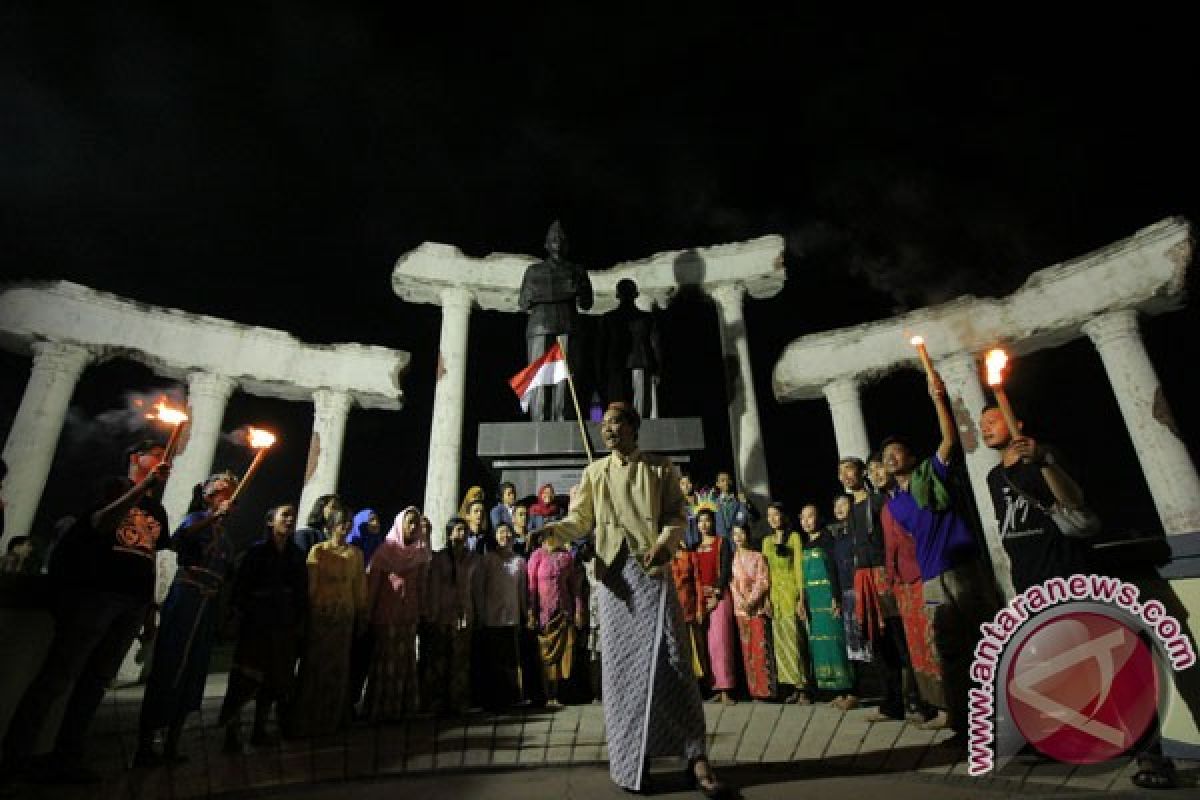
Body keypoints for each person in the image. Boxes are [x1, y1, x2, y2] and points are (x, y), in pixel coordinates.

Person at [538, 403, 726, 797]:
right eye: (604, 423)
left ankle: (696, 758)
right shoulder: (594, 473)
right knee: (623, 672)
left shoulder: (659, 468)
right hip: (614, 583)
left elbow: (678, 516)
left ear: (633, 427)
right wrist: (553, 531)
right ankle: (632, 763)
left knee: (673, 661)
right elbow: (579, 520)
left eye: (616, 422)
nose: (608, 429)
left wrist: (663, 545)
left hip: (652, 574)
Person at [4, 440, 169, 784]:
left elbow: (149, 554)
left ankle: (67, 755)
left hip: (133, 601)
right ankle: (16, 756)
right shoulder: (112, 488)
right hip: (97, 596)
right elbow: (101, 522)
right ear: (135, 458)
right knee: (58, 677)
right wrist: (142, 488)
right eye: (155, 451)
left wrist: (150, 611)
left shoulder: (158, 511)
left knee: (95, 683)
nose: (163, 456)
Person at [880, 367, 999, 735]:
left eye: (897, 453)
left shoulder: (931, 474)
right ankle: (963, 726)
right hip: (931, 579)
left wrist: (938, 400)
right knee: (947, 651)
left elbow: (949, 439)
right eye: (886, 456)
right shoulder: (895, 502)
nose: (891, 458)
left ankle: (1001, 719)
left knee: (983, 642)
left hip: (959, 567)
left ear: (912, 457)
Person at [134, 471, 238, 766]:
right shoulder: (195, 521)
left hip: (208, 604)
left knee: (194, 670)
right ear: (209, 497)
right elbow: (178, 540)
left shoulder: (226, 538)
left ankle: (172, 742)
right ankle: (146, 743)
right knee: (171, 664)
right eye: (223, 493)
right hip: (187, 598)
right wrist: (213, 516)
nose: (230, 499)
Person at [218, 504, 308, 752]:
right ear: (270, 521)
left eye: (292, 516)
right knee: (245, 677)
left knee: (274, 679)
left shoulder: (296, 555)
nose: (289, 520)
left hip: (284, 624)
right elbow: (241, 587)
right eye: (284, 516)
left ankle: (260, 729)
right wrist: (237, 613)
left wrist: (298, 620)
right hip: (257, 623)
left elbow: (301, 592)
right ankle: (232, 731)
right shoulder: (256, 552)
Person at [978, 406, 1092, 592]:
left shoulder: (1044, 458)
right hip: (1027, 583)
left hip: (1064, 575)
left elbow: (1074, 501)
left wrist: (1042, 461)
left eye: (991, 423)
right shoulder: (994, 477)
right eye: (981, 425)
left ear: (1018, 425)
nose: (985, 429)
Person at [839, 455, 913, 723]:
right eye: (842, 473)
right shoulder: (851, 509)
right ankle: (891, 702)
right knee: (877, 641)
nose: (847, 477)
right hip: (862, 577)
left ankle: (915, 700)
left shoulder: (879, 502)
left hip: (883, 573)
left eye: (851, 470)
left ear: (863, 474)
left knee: (897, 636)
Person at [288, 507, 366, 736]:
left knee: (338, 667)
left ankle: (334, 718)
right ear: (332, 525)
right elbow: (311, 586)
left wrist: (361, 613)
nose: (346, 526)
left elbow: (359, 587)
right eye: (342, 522)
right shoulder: (317, 551)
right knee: (315, 666)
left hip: (344, 617)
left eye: (349, 522)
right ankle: (309, 718)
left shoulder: (356, 554)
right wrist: (313, 611)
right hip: (321, 616)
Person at [517, 220, 594, 421]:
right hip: (539, 328)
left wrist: (547, 292)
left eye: (561, 238)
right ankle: (538, 419)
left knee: (565, 377)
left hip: (567, 327)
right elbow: (524, 302)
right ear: (545, 244)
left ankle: (563, 417)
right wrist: (565, 291)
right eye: (552, 239)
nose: (557, 242)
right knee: (538, 376)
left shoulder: (577, 270)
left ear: (567, 244)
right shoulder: (534, 270)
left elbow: (587, 303)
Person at [362, 507, 430, 721]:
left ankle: (403, 707)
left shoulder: (420, 553)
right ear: (400, 524)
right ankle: (382, 708)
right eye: (409, 523)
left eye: (416, 524)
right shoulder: (384, 551)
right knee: (386, 661)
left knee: (405, 661)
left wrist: (421, 611)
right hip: (386, 615)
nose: (413, 527)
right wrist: (367, 614)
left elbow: (421, 587)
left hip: (408, 615)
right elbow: (373, 587)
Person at [798, 504, 854, 707]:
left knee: (837, 642)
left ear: (818, 518)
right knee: (821, 644)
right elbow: (802, 578)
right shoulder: (804, 545)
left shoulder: (828, 541)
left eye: (810, 516)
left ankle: (848, 690)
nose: (806, 521)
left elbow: (835, 569)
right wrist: (802, 601)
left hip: (828, 597)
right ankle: (833, 691)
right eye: (802, 518)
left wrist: (836, 596)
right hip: (813, 602)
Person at [424, 517, 480, 715]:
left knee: (461, 660)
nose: (461, 534)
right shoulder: (439, 558)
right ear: (449, 534)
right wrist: (433, 613)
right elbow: (434, 587)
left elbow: (475, 587)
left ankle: (459, 701)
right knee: (439, 659)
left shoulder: (473, 558)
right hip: (442, 613)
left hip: (464, 613)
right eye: (457, 530)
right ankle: (437, 702)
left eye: (464, 530)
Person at [526, 521, 583, 708]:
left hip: (563, 612)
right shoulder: (536, 557)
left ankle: (558, 693)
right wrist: (531, 612)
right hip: (544, 614)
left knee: (562, 656)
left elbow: (574, 587)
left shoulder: (566, 557)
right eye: (550, 535)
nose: (554, 539)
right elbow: (531, 587)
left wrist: (578, 610)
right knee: (545, 657)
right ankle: (546, 694)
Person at [762, 502, 811, 704]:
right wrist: (766, 598)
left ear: (784, 516)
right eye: (769, 516)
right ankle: (792, 686)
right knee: (781, 644)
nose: (773, 519)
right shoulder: (766, 541)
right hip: (775, 597)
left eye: (776, 514)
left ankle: (804, 687)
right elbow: (765, 572)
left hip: (791, 594)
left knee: (796, 642)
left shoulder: (794, 537)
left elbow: (799, 568)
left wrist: (801, 597)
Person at [595, 278, 661, 418]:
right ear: (636, 294)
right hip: (639, 366)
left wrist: (600, 373)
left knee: (619, 413)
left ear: (617, 296)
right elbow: (655, 347)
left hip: (617, 369)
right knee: (640, 413)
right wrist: (657, 369)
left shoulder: (608, 318)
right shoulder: (647, 318)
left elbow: (601, 350)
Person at [480, 522, 528, 709]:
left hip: (511, 616)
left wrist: (525, 613)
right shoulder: (488, 559)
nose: (505, 535)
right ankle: (493, 698)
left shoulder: (519, 561)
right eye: (501, 532)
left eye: (508, 532)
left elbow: (521, 590)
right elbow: (481, 587)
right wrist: (481, 613)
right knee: (493, 659)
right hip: (491, 616)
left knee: (510, 659)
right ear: (495, 536)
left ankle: (512, 697)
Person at [828, 494, 870, 702]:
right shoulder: (838, 538)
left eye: (843, 504)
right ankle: (856, 691)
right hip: (845, 594)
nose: (839, 509)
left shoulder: (859, 533)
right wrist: (836, 597)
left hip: (861, 589)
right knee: (852, 644)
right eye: (836, 506)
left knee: (868, 639)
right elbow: (835, 569)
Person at [693, 507, 737, 706]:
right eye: (700, 521)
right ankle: (713, 687)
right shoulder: (694, 547)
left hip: (719, 597)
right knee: (706, 645)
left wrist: (717, 593)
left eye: (707, 521)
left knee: (722, 643)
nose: (704, 525)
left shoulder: (722, 543)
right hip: (700, 600)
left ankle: (726, 688)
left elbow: (726, 569)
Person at [730, 522, 774, 702]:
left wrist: (751, 601)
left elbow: (762, 581)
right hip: (741, 609)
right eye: (735, 534)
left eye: (741, 533)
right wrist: (742, 602)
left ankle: (766, 690)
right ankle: (753, 690)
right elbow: (732, 584)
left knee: (760, 648)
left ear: (747, 535)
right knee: (747, 650)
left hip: (756, 607)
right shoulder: (733, 559)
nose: (738, 537)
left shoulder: (758, 557)